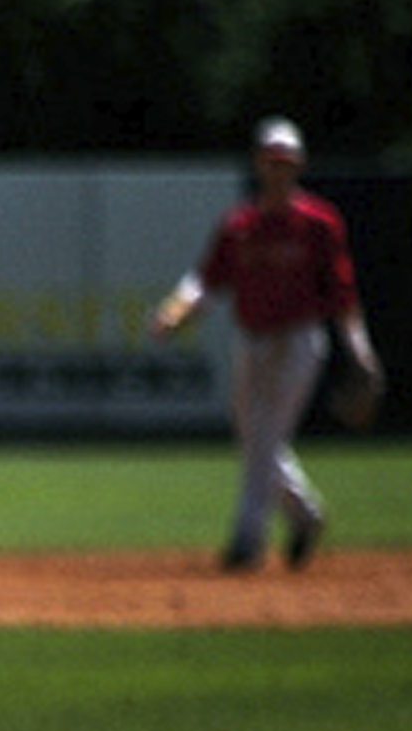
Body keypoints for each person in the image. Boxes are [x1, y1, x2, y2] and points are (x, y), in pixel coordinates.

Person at [148, 116, 384, 572]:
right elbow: (205, 280)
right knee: (254, 437)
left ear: (298, 165)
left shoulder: (319, 223)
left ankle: (246, 541)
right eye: (272, 161)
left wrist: (361, 351)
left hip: (299, 341)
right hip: (252, 340)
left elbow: (342, 294)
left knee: (267, 435)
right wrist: (175, 311)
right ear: (259, 164)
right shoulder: (240, 224)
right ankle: (305, 515)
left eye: (287, 161)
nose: (279, 170)